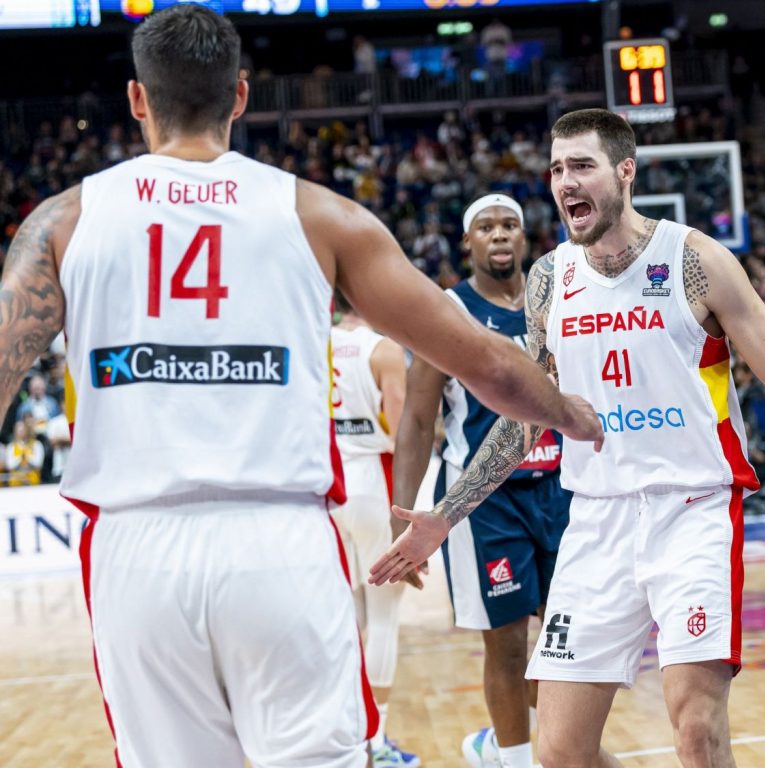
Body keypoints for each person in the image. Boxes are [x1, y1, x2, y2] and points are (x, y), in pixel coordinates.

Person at [0, 8, 601, 768]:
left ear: (137, 100)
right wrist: (571, 413)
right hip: (277, 543)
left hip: (134, 552)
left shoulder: (63, 220)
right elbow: (482, 361)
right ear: (242, 97)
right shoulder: (321, 215)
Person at [372, 108, 765, 768]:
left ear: (625, 172)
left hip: (694, 511)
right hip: (595, 519)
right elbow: (525, 415)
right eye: (557, 169)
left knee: (697, 728)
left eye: (582, 166)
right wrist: (443, 517)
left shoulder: (695, 261)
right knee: (561, 752)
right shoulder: (550, 278)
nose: (565, 181)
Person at [392, 193, 572, 768]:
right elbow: (419, 417)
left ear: (525, 238)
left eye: (510, 225)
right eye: (486, 227)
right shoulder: (447, 311)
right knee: (508, 639)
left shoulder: (557, 301)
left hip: (563, 492)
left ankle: (523, 747)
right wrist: (404, 517)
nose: (500, 235)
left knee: (564, 641)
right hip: (484, 503)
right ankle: (516, 760)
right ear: (466, 242)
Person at [330, 300, 419, 768]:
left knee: (347, 616)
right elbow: (404, 429)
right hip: (372, 478)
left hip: (327, 484)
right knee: (383, 616)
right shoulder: (382, 349)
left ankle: (345, 733)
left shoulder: (316, 342)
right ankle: (377, 740)